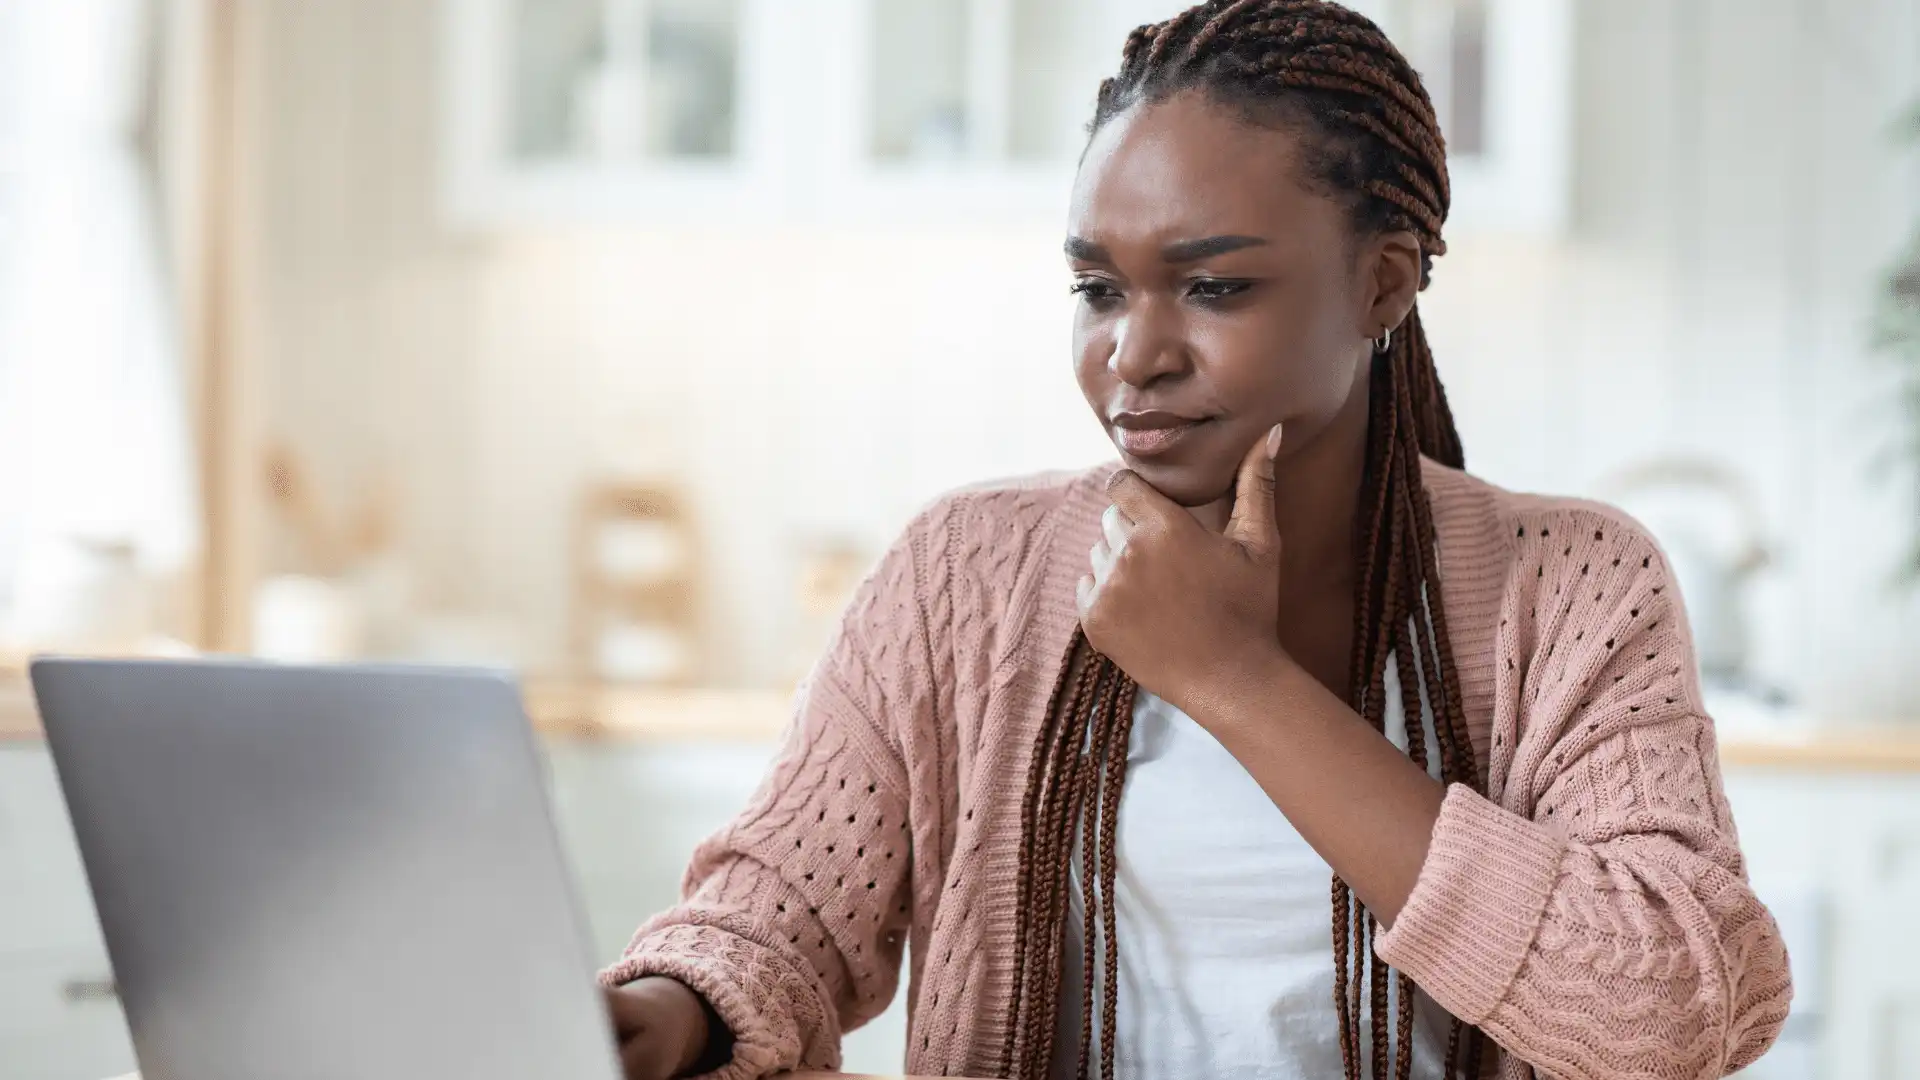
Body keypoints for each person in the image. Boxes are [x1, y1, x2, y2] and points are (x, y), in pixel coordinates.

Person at [598, 2, 1793, 1078]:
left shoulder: (1573, 585)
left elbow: (1670, 1017)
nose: (1134, 355)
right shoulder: (961, 573)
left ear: (1382, 284)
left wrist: (1235, 679)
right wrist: (668, 1011)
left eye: (1214, 288)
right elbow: (774, 922)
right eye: (1099, 290)